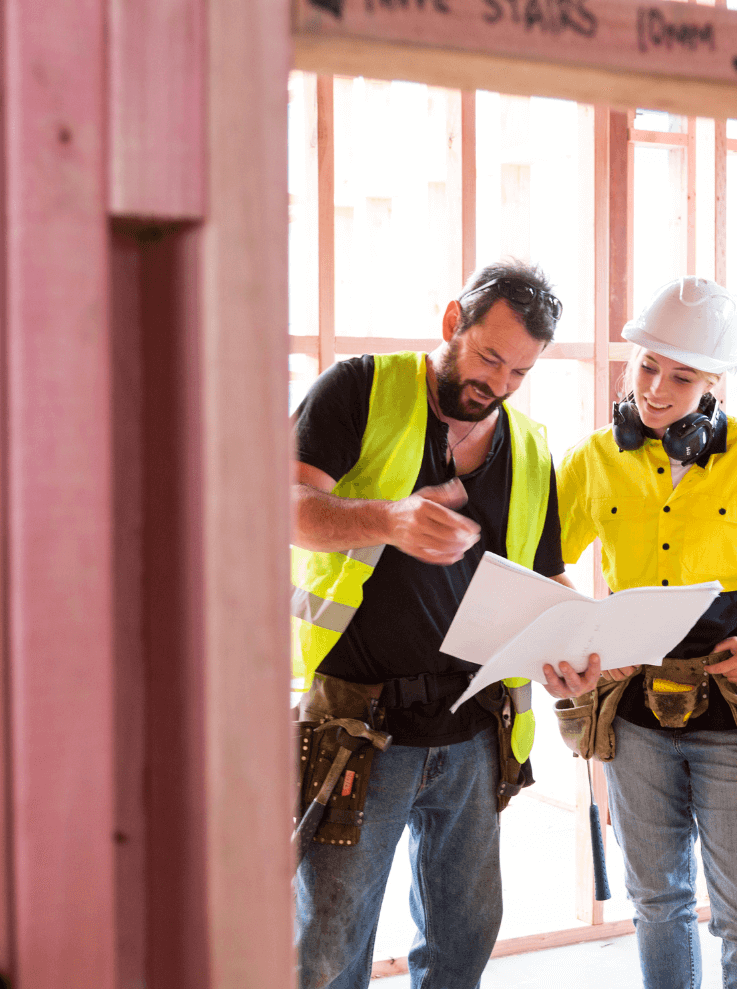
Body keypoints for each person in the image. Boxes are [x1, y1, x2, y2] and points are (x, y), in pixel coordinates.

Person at [290, 260, 602, 989]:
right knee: (331, 944)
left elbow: (546, 572)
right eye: (489, 357)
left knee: (465, 936)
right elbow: (287, 505)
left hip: (472, 726)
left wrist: (568, 645)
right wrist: (387, 519)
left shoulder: (526, 446)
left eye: (519, 371)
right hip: (359, 723)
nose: (496, 384)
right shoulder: (361, 388)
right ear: (451, 323)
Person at [544, 277, 737, 989]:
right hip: (636, 715)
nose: (656, 388)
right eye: (646, 366)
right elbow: (539, 561)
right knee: (658, 903)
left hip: (735, 714)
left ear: (715, 386)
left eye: (682, 376)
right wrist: (586, 636)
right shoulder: (592, 460)